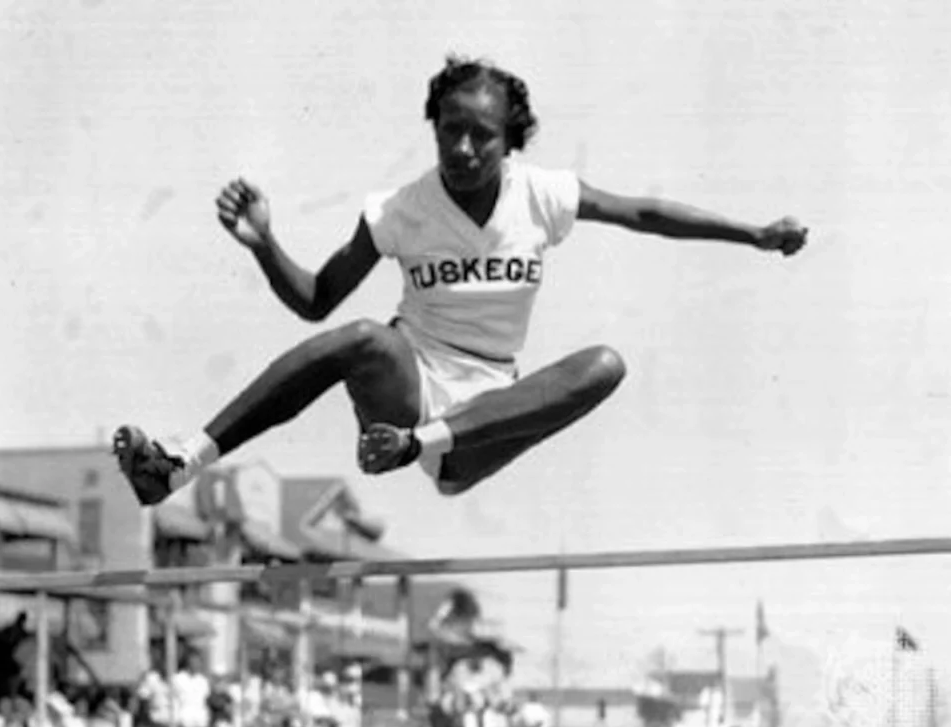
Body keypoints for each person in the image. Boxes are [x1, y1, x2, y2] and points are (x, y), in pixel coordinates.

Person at [113, 54, 808, 504]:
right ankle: (180, 461)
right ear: (435, 128)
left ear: (511, 142)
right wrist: (265, 244)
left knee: (606, 364)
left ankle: (423, 445)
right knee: (361, 335)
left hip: (482, 420)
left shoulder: (542, 195)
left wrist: (752, 234)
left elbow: (645, 212)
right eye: (450, 130)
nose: (464, 149)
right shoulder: (401, 210)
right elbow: (315, 303)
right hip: (409, 385)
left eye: (482, 135)